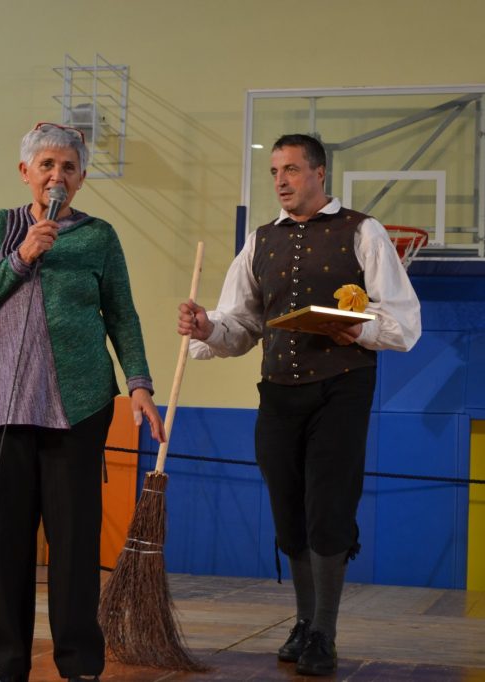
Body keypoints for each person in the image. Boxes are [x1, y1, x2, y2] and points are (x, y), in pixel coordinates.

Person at [177, 133, 420, 676]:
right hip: (279, 392)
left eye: (290, 169)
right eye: (274, 172)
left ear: (319, 173)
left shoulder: (363, 231)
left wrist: (355, 329)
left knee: (329, 509)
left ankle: (324, 632)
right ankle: (305, 621)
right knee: (288, 512)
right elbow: (242, 324)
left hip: (341, 388)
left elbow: (404, 323)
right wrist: (207, 327)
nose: (280, 181)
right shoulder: (261, 240)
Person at [0, 122, 165, 682]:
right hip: (3, 405)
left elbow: (121, 313)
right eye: (47, 165)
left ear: (82, 178)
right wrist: (22, 255)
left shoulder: (99, 237)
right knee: (7, 541)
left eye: (69, 167)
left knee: (74, 542)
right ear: (25, 172)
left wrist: (139, 384)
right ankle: (5, 666)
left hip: (78, 404)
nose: (57, 175)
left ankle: (80, 666)